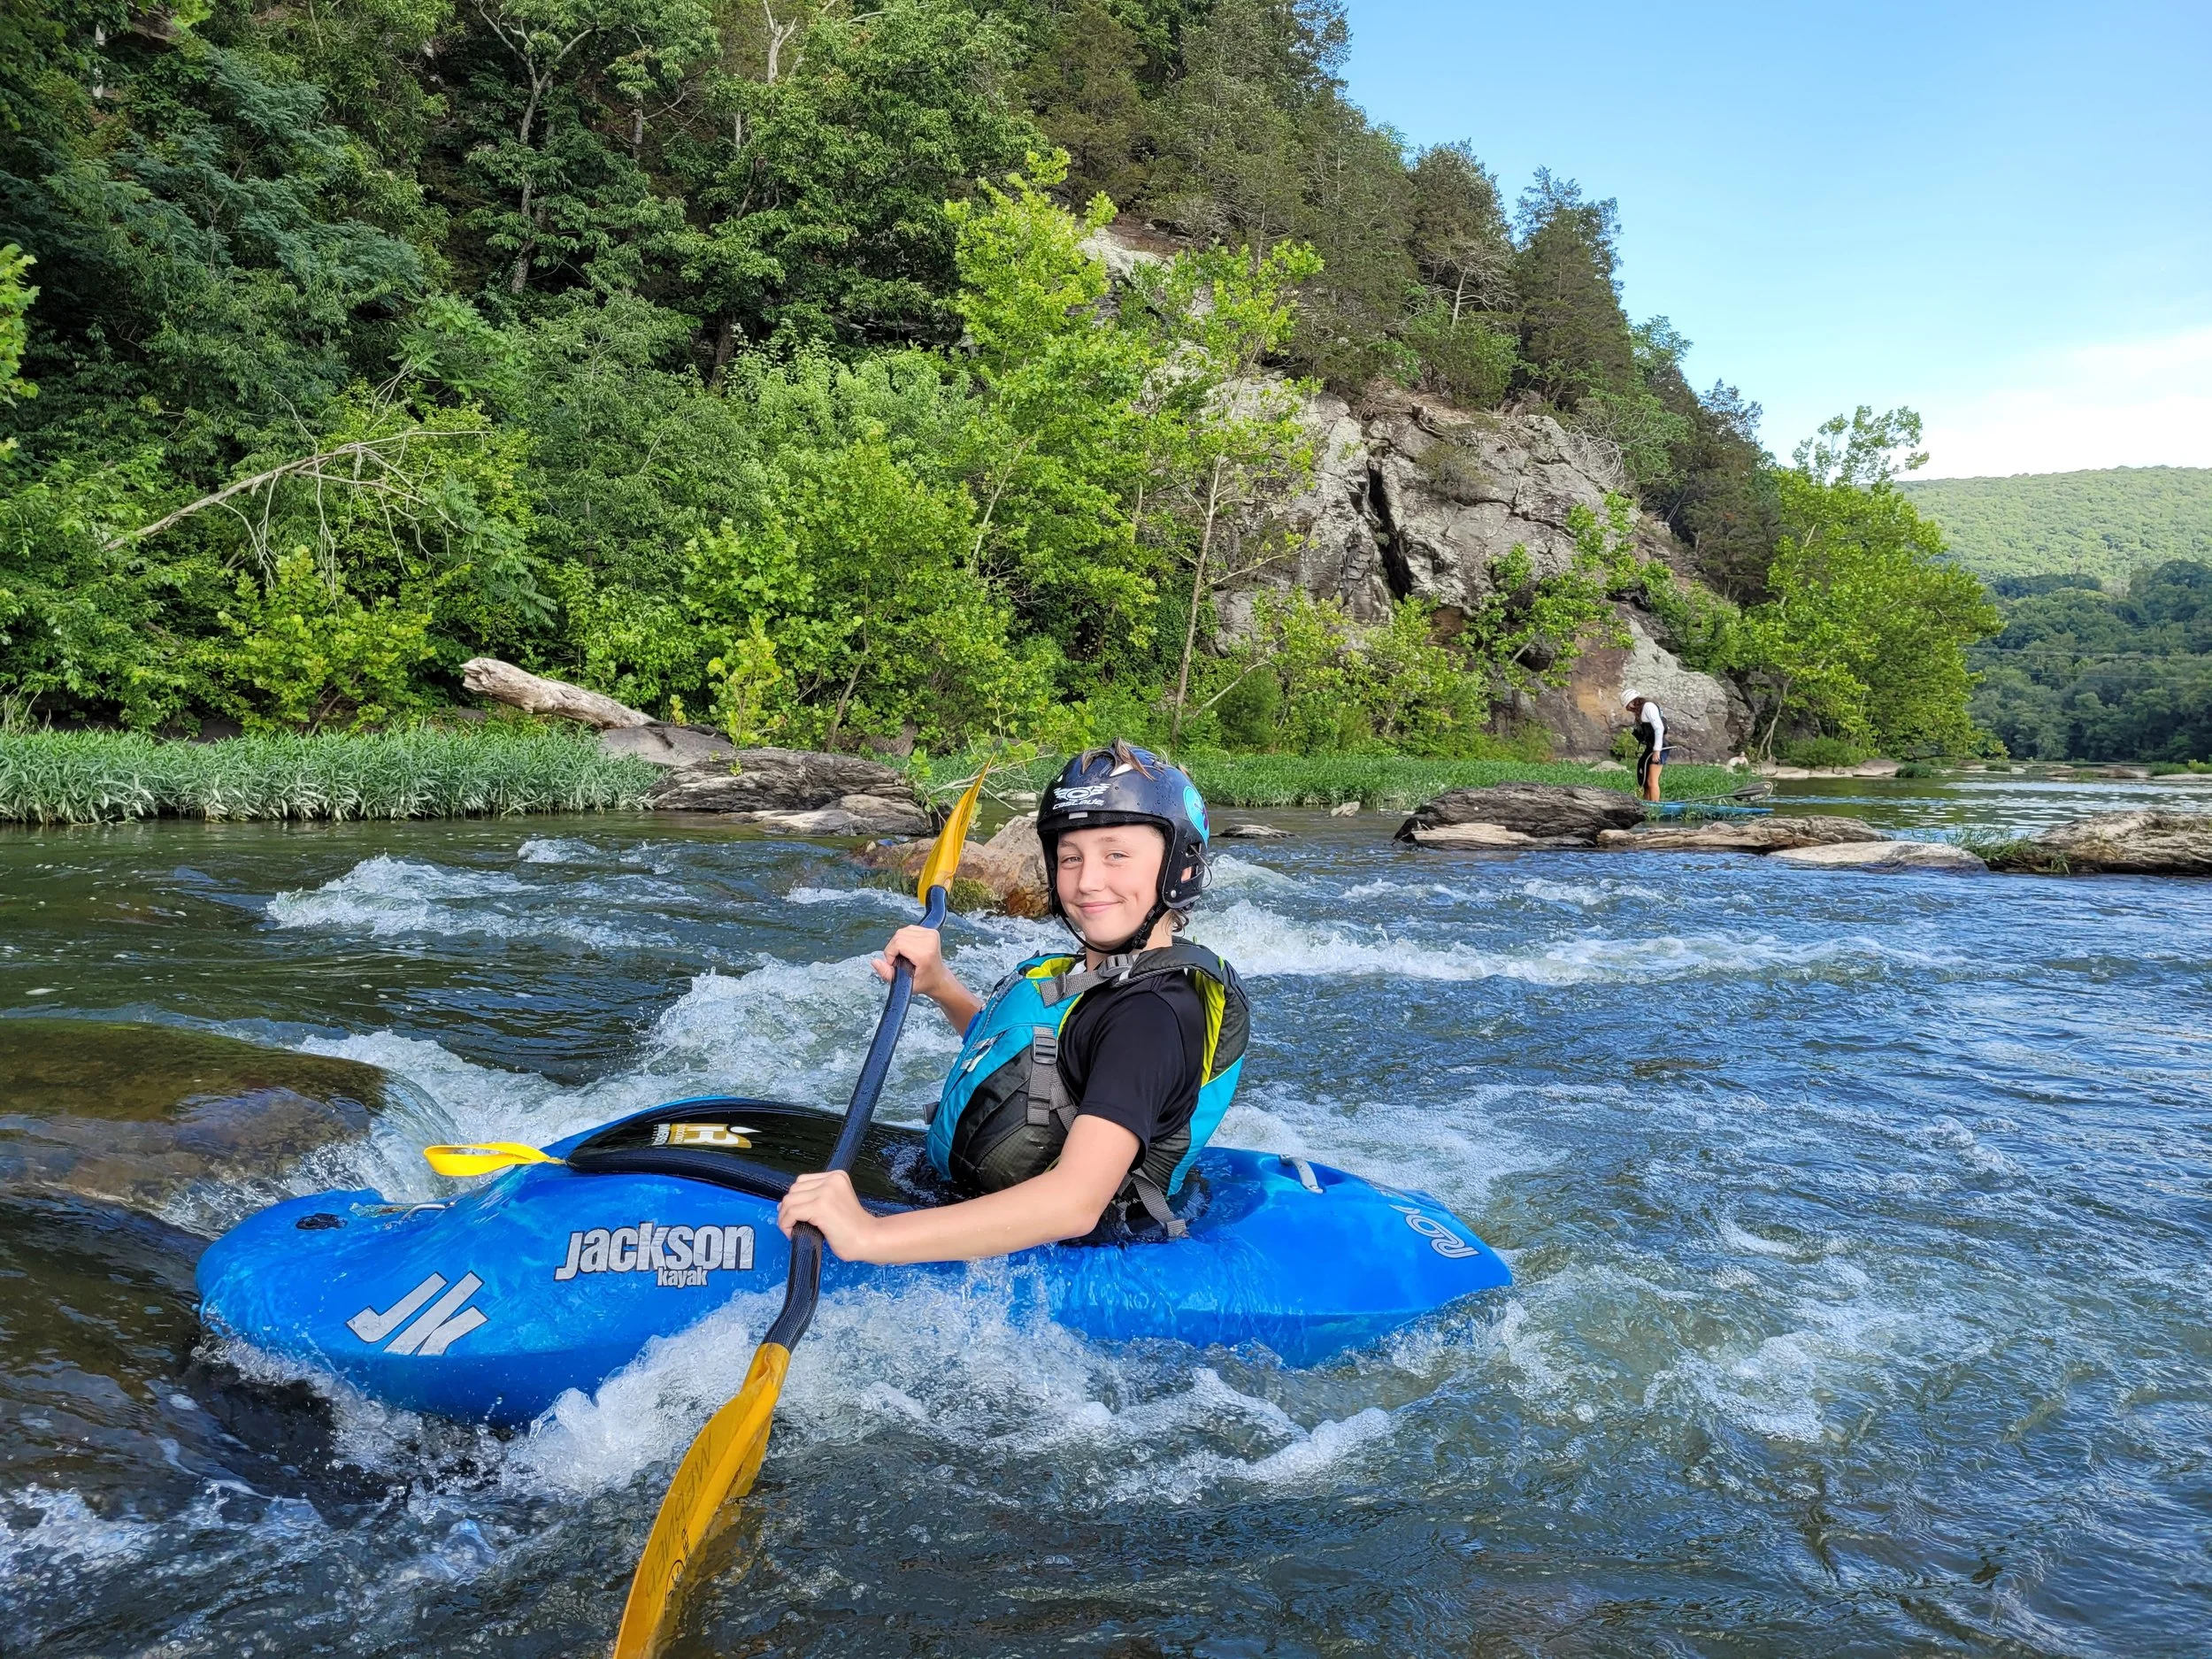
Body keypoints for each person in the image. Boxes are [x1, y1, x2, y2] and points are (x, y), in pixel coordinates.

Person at [778, 741, 1250, 1264]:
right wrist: (941, 985)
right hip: (977, 1195)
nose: (1088, 881)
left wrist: (870, 1237)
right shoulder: (1098, 976)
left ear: (1179, 867)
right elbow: (1040, 1067)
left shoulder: (1150, 1015)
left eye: (1116, 854)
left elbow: (1075, 1203)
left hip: (1080, 1252)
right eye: (1070, 857)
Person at [1624, 691, 1667, 803]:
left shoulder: (1648, 707)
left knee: (1652, 781)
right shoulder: (1640, 712)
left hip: (1659, 747)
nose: (1628, 710)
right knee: (1645, 782)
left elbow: (1659, 728)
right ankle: (1647, 805)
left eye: (1628, 707)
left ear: (1632, 703)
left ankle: (1655, 807)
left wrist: (1657, 750)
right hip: (1650, 747)